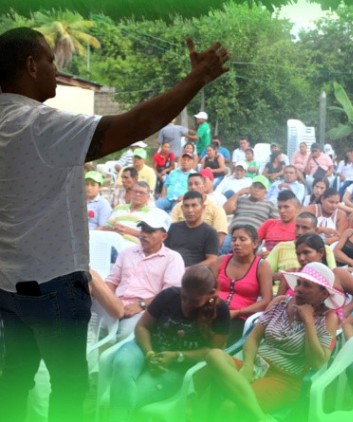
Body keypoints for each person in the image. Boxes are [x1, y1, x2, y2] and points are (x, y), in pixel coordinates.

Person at [0, 27, 228, 422]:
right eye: (51, 61)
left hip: (7, 285)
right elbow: (132, 125)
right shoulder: (37, 125)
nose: (56, 69)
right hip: (52, 285)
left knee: (14, 379)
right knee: (69, 387)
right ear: (31, 65)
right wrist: (196, 79)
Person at [201, 262, 341, 419]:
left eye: (307, 285)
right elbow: (253, 338)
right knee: (214, 355)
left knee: (230, 407)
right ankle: (260, 416)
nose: (298, 289)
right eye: (299, 283)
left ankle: (257, 416)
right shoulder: (281, 302)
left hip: (283, 379)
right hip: (255, 366)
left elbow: (317, 362)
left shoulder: (328, 318)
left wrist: (308, 321)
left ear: (323, 294)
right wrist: (247, 366)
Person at [108, 265, 230, 422]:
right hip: (145, 348)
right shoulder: (169, 295)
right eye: (184, 297)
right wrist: (149, 353)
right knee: (122, 363)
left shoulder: (220, 311)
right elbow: (142, 327)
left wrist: (177, 356)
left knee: (131, 396)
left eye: (194, 301)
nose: (186, 304)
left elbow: (213, 352)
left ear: (211, 294)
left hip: (178, 366)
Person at [105, 214, 186, 340]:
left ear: (163, 236)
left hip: (145, 310)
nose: (144, 234)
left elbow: (170, 294)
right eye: (142, 229)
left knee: (124, 335)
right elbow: (112, 280)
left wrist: (141, 305)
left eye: (150, 231)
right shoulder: (127, 252)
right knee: (90, 330)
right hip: (116, 305)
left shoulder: (172, 258)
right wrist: (109, 301)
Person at [277, 234, 353, 319]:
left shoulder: (337, 274)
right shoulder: (291, 274)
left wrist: (343, 313)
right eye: (298, 254)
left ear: (321, 253)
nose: (301, 258)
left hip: (330, 326)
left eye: (306, 252)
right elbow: (279, 306)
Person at [212, 224, 272, 342]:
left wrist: (237, 312)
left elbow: (266, 302)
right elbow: (208, 288)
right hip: (212, 310)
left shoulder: (262, 266)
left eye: (242, 239)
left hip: (240, 317)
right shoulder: (221, 260)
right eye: (233, 240)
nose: (236, 243)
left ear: (255, 244)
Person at [265, 212, 338, 281]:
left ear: (315, 230)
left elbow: (332, 276)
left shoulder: (325, 249)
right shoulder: (281, 247)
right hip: (279, 292)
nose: (299, 232)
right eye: (297, 227)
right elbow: (263, 272)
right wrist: (283, 275)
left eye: (305, 228)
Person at [171, 172, 229, 247]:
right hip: (181, 247)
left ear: (204, 186)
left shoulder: (216, 209)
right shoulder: (179, 207)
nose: (193, 187)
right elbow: (172, 231)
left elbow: (220, 238)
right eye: (190, 184)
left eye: (196, 184)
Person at [164, 190, 219, 268]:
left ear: (203, 208)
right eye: (186, 206)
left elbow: (212, 260)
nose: (190, 210)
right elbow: (164, 252)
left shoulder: (210, 232)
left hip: (194, 275)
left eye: (194, 205)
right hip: (170, 270)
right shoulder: (173, 228)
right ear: (182, 208)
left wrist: (189, 270)